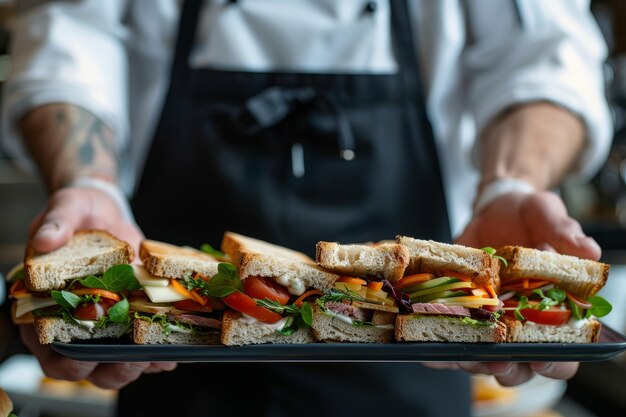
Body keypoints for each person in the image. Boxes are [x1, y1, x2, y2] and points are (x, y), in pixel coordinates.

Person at [1, 0, 612, 416]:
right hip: (169, 375)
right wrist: (90, 181)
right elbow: (68, 34)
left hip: (417, 378)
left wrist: (511, 186)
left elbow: (544, 52)